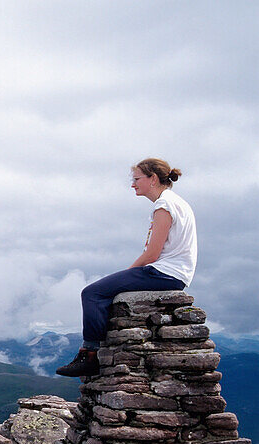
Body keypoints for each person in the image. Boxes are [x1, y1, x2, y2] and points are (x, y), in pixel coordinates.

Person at [56, 158, 197, 377]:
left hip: (165, 273)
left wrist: (129, 272)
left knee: (92, 293)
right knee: (105, 290)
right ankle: (91, 352)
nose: (133, 184)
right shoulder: (176, 202)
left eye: (137, 179)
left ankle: (90, 355)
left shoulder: (164, 205)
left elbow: (152, 253)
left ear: (152, 179)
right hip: (175, 273)